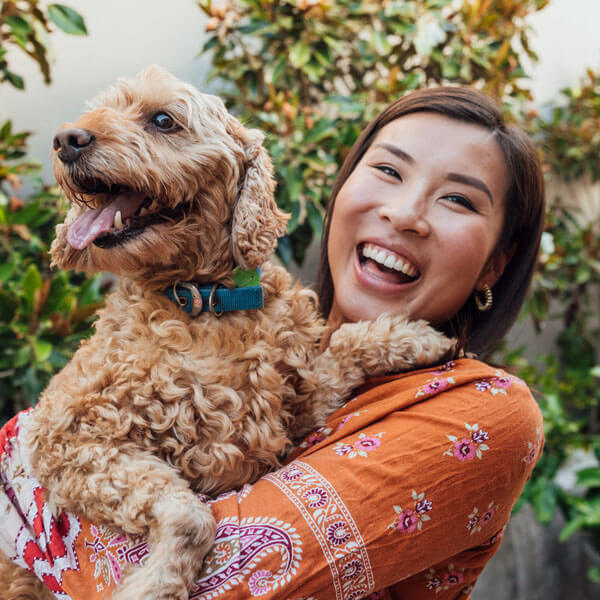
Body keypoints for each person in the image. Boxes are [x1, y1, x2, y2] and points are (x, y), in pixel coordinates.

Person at [0, 86, 544, 599]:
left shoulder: (487, 413)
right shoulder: (267, 333)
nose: (403, 214)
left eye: (457, 199)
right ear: (343, 190)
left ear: (495, 263)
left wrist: (23, 472)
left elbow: (229, 579)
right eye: (387, 170)